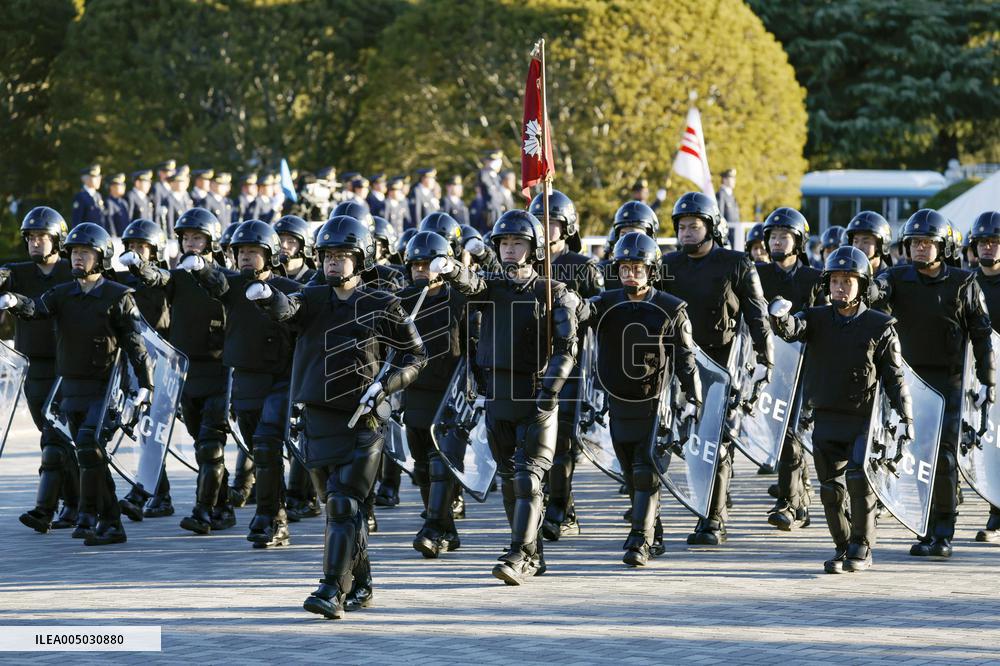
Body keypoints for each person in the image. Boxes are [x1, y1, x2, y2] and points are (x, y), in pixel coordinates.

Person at [250, 214, 426, 619]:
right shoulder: (309, 298)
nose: (333, 263)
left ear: (360, 259)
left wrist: (386, 386)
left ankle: (331, 589)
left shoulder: (384, 303)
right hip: (316, 419)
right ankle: (360, 583)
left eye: (343, 256)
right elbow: (286, 309)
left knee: (345, 505)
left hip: (364, 421)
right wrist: (265, 295)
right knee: (340, 508)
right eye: (327, 255)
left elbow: (416, 355)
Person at [433, 209, 580, 585]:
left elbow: (567, 348)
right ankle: (533, 554)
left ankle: (517, 553)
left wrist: (550, 391)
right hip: (497, 398)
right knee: (511, 480)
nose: (510, 250)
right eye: (504, 244)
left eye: (518, 243)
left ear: (532, 249)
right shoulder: (490, 287)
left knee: (530, 479)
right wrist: (451, 270)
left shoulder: (555, 292)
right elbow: (469, 283)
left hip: (536, 397)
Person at [1, 222, 154, 546]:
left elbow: (135, 345)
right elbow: (35, 309)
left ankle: (99, 518)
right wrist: (15, 301)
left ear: (100, 257)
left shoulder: (117, 296)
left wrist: (146, 385)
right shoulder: (62, 294)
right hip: (70, 389)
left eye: (85, 253)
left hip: (102, 388)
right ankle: (103, 521)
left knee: (88, 447)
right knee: (88, 456)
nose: (77, 259)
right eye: (74, 254)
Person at [769, 246, 913, 572]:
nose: (840, 286)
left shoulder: (880, 325)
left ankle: (863, 546)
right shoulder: (816, 317)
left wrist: (906, 418)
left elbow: (895, 377)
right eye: (835, 280)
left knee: (859, 478)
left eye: (848, 280)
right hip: (825, 416)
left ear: (862, 285)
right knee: (830, 490)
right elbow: (792, 329)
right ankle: (843, 546)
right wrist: (778, 317)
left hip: (863, 418)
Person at [871, 209, 995, 558]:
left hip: (949, 382)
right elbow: (871, 296)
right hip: (909, 380)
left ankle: (943, 531)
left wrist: (988, 382)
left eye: (928, 243)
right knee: (914, 454)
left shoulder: (964, 282)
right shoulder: (895, 278)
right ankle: (923, 524)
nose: (920, 249)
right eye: (915, 243)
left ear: (943, 247)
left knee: (942, 457)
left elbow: (983, 335)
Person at [579, 232, 701, 565]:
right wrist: (564, 303)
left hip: (655, 405)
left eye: (637, 267)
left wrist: (695, 401)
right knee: (632, 475)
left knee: (646, 471)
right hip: (617, 405)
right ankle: (653, 530)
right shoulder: (604, 303)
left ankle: (639, 541)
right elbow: (578, 315)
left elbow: (687, 360)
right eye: (624, 267)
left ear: (651, 270)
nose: (630, 274)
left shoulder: (671, 308)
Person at [659, 192, 773, 545]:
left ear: (710, 226)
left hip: (719, 367)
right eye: (682, 226)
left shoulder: (737, 263)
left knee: (715, 444)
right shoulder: (667, 265)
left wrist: (765, 362)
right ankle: (649, 523)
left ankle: (713, 520)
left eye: (694, 225)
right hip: (675, 366)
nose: (687, 231)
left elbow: (757, 314)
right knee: (666, 442)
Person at [122, 208, 238, 535]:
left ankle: (203, 512)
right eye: (185, 238)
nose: (190, 244)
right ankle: (223, 505)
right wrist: (139, 266)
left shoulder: (227, 277)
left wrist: (204, 269)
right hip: (184, 372)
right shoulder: (179, 277)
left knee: (209, 445)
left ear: (211, 241)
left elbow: (220, 287)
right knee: (201, 444)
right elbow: (158, 278)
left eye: (197, 238)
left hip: (218, 371)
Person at [186, 220, 301, 548]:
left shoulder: (290, 289)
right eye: (241, 252)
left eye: (254, 251)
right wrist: (199, 267)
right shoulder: (232, 285)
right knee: (258, 449)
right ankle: (273, 514)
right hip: (245, 380)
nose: (246, 257)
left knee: (266, 448)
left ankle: (270, 518)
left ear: (270, 254)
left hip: (279, 380)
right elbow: (214, 282)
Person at [528, 190, 604, 540]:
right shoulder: (523, 264)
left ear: (567, 226)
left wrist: (577, 307)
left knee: (562, 442)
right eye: (541, 221)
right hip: (528, 363)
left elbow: (600, 309)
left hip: (569, 364)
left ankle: (560, 507)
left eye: (553, 221)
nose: (547, 227)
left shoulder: (582, 266)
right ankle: (541, 507)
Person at [4, 207, 76, 533]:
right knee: (54, 438)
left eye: (42, 237)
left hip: (68, 366)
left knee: (55, 437)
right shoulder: (16, 273)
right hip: (33, 367)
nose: (35, 243)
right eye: (31, 238)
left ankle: (50, 508)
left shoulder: (71, 270)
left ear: (57, 239)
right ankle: (74, 503)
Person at [397, 231, 468, 557]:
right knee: (423, 466)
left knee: (442, 463)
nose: (422, 271)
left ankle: (431, 527)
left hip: (449, 395)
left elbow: (473, 347)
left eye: (429, 265)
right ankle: (445, 530)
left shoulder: (460, 300)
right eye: (416, 265)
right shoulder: (401, 303)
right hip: (415, 394)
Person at [755, 207, 824, 530]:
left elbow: (822, 323)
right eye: (773, 236)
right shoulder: (757, 275)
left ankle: (788, 501)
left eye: (785, 236)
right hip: (768, 368)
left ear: (798, 241)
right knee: (780, 433)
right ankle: (801, 495)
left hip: (806, 367)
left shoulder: (814, 278)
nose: (778, 241)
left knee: (791, 433)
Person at [114, 218, 174, 520]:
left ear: (156, 250)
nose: (136, 252)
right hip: (130, 364)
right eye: (132, 246)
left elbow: (153, 277)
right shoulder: (121, 283)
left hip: (161, 364)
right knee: (142, 429)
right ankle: (158, 495)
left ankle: (145, 493)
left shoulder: (164, 279)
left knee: (152, 430)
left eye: (143, 247)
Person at [961, 210, 1000, 542]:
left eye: (995, 242)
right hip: (977, 374)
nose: (988, 248)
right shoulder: (966, 282)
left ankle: (997, 517)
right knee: (986, 442)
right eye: (983, 242)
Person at [846, 211, 893, 277]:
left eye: (865, 242)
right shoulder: (846, 276)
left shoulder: (891, 280)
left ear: (880, 246)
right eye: (856, 241)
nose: (859, 247)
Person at [476, 150, 505, 231]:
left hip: (497, 210)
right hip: (489, 211)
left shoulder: (496, 176)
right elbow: (490, 193)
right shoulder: (484, 174)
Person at [71, 164, 105, 230]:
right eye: (95, 176)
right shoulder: (80, 197)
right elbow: (77, 222)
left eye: (99, 176)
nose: (99, 179)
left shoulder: (98, 195)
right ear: (85, 179)